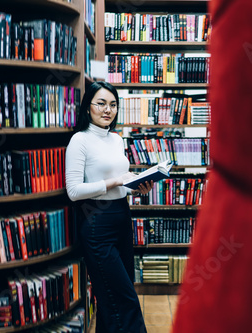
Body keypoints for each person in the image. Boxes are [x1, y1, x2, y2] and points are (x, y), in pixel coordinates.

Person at [65, 81, 151, 333]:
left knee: (109, 300)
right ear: (88, 107)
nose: (108, 110)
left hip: (122, 218)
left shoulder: (116, 139)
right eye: (101, 103)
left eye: (113, 104)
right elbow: (73, 191)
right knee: (124, 301)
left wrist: (134, 187)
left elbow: (120, 185)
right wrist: (113, 182)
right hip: (96, 224)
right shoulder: (79, 141)